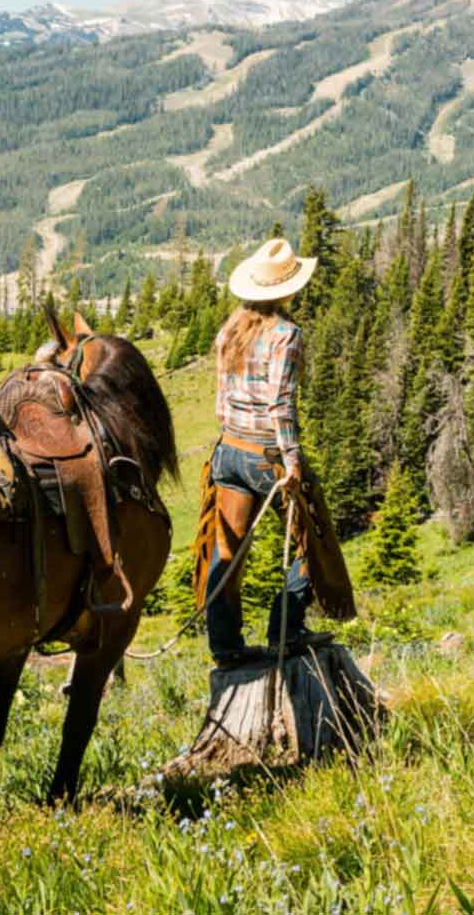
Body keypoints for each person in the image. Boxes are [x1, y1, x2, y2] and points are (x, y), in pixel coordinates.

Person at [202, 237, 322, 667]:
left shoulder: (228, 331)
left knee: (228, 551)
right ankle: (286, 628)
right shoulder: (286, 335)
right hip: (266, 455)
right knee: (314, 541)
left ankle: (225, 643)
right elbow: (281, 404)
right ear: (286, 290)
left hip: (229, 450)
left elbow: (220, 399)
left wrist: (229, 438)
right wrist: (291, 460)